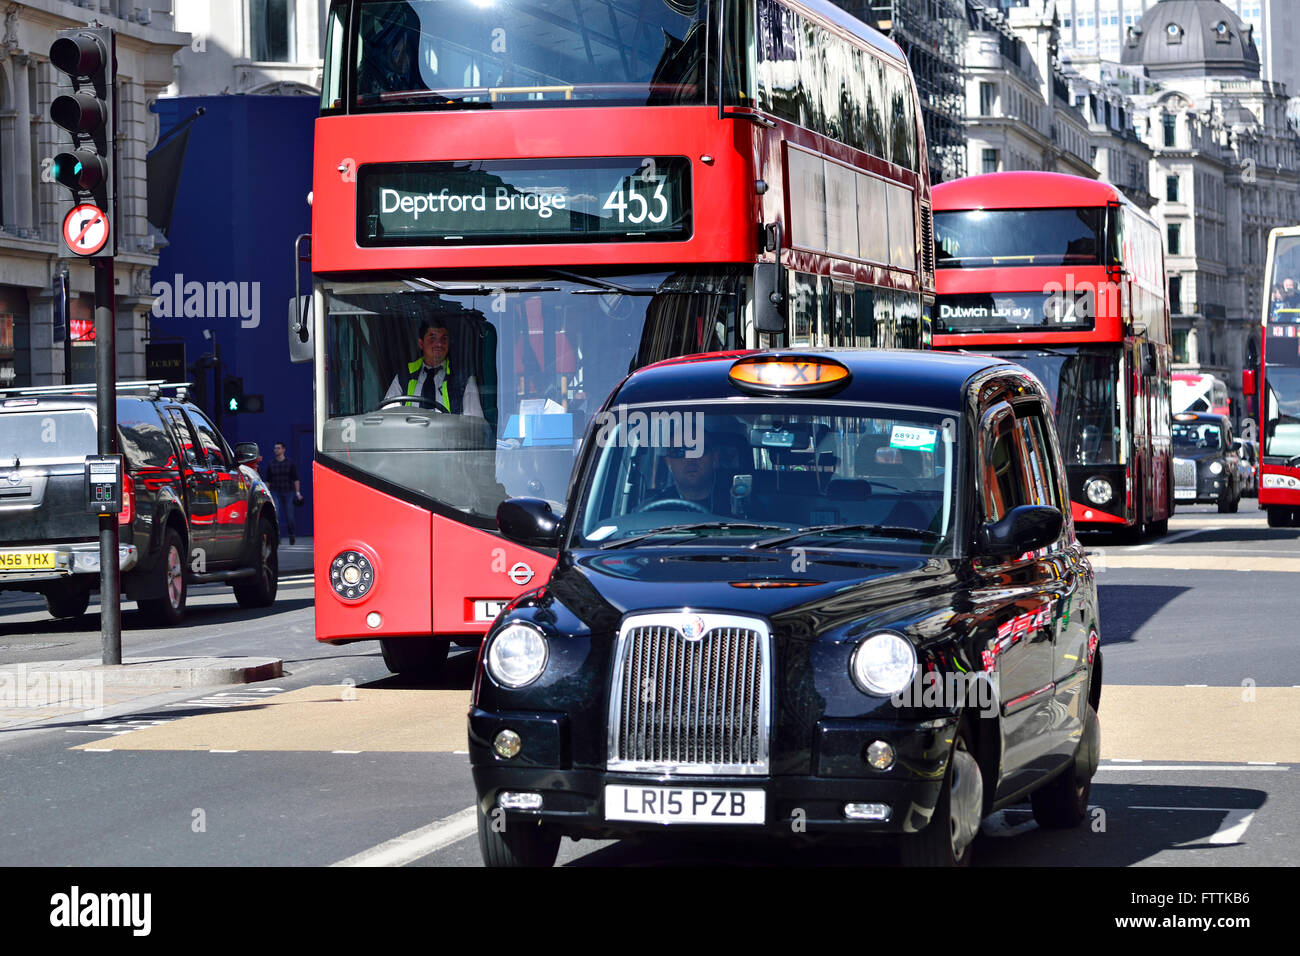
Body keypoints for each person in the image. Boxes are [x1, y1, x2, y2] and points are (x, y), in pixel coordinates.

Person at [384, 319, 484, 417]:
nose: (439, 344)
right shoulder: (403, 376)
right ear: (421, 344)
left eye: (444, 339)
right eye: (433, 338)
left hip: (449, 434)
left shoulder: (465, 379)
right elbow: (387, 415)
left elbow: (474, 421)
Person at [265, 442, 303, 545]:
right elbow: (267, 481)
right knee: (276, 515)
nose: (276, 450)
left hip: (288, 492)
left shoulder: (290, 463)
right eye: (275, 448)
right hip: (275, 492)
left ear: (283, 450)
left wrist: (298, 493)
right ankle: (277, 537)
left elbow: (296, 479)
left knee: (290, 516)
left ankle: (291, 534)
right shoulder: (271, 464)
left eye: (278, 448)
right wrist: (266, 494)